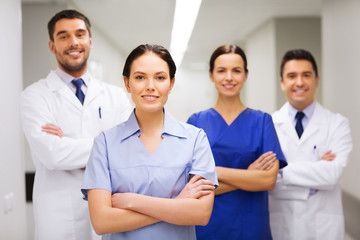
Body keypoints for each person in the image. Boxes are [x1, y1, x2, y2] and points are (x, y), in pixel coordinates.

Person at [81, 44, 218, 240]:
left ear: (171, 84)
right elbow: (102, 222)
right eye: (140, 77)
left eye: (160, 77)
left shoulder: (195, 139)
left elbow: (201, 214)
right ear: (127, 84)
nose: (150, 86)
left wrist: (132, 201)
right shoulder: (105, 143)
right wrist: (177, 203)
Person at [20, 9, 132, 240]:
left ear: (90, 40)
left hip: (109, 206)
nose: (73, 42)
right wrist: (108, 146)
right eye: (63, 36)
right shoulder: (34, 96)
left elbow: (129, 149)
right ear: (52, 46)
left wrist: (68, 145)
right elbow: (52, 155)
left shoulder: (116, 95)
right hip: (59, 213)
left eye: (80, 34)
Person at [187, 44, 287, 240]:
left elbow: (268, 180)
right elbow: (192, 188)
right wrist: (250, 176)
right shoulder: (196, 122)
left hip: (252, 226)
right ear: (211, 75)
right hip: (208, 226)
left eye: (236, 71)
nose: (229, 77)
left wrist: (212, 172)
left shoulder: (262, 121)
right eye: (222, 71)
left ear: (246, 75)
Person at [269, 49, 352, 240]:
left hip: (323, 229)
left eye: (306, 75)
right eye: (292, 76)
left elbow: (333, 174)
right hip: (282, 226)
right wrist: (315, 175)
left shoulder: (337, 124)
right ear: (282, 82)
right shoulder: (269, 124)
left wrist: (281, 171)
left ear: (316, 80)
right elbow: (267, 181)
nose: (299, 82)